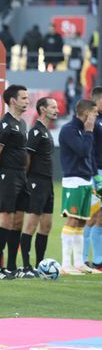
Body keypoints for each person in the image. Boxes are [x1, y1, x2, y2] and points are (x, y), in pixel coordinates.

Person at [0, 85, 30, 279]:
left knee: (18, 222)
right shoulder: (5, 125)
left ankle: (13, 267)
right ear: (13, 101)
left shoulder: (22, 124)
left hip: (21, 176)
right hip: (7, 176)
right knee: (5, 220)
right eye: (23, 98)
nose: (27, 101)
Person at [18, 97, 58, 278]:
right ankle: (26, 266)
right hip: (36, 181)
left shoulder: (46, 131)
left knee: (47, 225)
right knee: (31, 224)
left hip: (48, 183)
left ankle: (40, 265)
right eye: (53, 107)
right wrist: (27, 180)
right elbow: (27, 157)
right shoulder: (35, 132)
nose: (57, 110)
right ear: (42, 109)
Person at [59, 99, 97, 274]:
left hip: (85, 180)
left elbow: (89, 155)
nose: (97, 116)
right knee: (72, 218)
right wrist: (89, 131)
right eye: (95, 113)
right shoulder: (69, 130)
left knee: (81, 221)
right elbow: (82, 151)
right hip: (73, 180)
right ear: (87, 113)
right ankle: (66, 265)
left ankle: (79, 262)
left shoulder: (83, 131)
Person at [84, 87, 102, 271]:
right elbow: (89, 150)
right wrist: (95, 174)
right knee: (91, 215)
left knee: (101, 217)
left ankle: (98, 261)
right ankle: (82, 260)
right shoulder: (92, 121)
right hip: (96, 172)